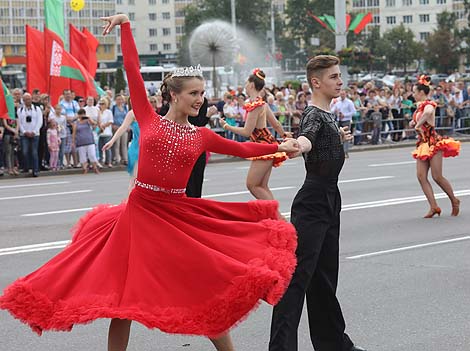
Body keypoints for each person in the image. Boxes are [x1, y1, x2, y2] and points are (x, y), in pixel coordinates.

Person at [0, 14, 299, 351]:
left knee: (198, 287)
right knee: (121, 302)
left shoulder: (201, 135)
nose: (200, 99)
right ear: (173, 95)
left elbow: (242, 147)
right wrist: (127, 26)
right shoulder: (147, 116)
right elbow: (131, 69)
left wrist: (278, 146)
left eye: (202, 92)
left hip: (177, 216)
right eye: (193, 93)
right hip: (138, 216)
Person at [269, 55, 365, 351]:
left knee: (324, 277)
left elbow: (321, 138)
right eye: (334, 77)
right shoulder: (313, 114)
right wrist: (298, 145)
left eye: (339, 75)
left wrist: (338, 136)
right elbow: (307, 137)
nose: (340, 81)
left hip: (329, 198)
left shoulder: (327, 113)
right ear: (316, 82)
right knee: (297, 279)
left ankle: (333, 343)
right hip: (313, 201)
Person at [219, 68, 292, 219]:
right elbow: (276, 123)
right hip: (268, 144)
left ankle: (279, 218)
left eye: (246, 83)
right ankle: (276, 218)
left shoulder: (255, 105)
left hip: (262, 146)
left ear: (252, 85)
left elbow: (246, 132)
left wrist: (227, 126)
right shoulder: (262, 103)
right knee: (262, 186)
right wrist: (284, 134)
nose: (245, 85)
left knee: (252, 185)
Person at [410, 75, 461, 218]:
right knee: (421, 176)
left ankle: (454, 200)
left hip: (433, 143)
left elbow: (428, 113)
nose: (413, 94)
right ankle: (434, 206)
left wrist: (418, 124)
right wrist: (413, 123)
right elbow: (420, 117)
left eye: (414, 92)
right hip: (423, 144)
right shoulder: (419, 107)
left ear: (421, 92)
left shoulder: (428, 104)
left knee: (437, 176)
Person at [17, 93, 43, 177]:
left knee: (34, 152)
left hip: (35, 134)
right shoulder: (20, 110)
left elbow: (40, 121)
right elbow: (19, 123)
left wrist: (34, 131)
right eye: (26, 99)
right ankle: (26, 167)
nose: (28, 101)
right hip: (24, 134)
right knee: (24, 151)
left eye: (29, 99)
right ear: (23, 101)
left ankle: (35, 170)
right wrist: (24, 131)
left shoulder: (37, 109)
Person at [72, 109, 100, 174]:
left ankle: (95, 167)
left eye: (82, 114)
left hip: (89, 140)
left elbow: (94, 124)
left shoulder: (87, 121)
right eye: (80, 114)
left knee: (92, 155)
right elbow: (74, 133)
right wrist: (73, 142)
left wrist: (89, 118)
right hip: (80, 142)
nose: (81, 116)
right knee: (82, 156)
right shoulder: (76, 123)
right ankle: (85, 168)